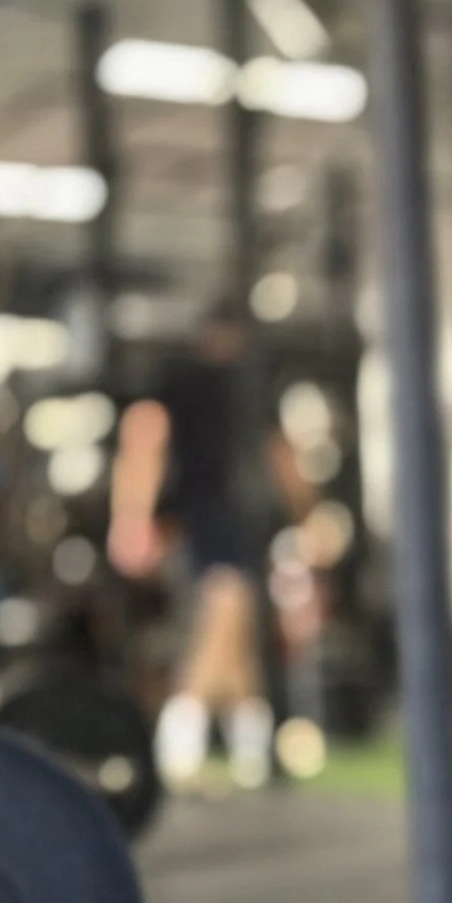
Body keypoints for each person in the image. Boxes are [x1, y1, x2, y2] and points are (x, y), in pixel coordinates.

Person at [107, 300, 287, 792]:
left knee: (238, 624)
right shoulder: (193, 380)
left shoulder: (243, 383)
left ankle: (251, 743)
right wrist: (133, 516)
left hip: (226, 516)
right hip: (210, 515)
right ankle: (181, 734)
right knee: (227, 611)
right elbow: (145, 435)